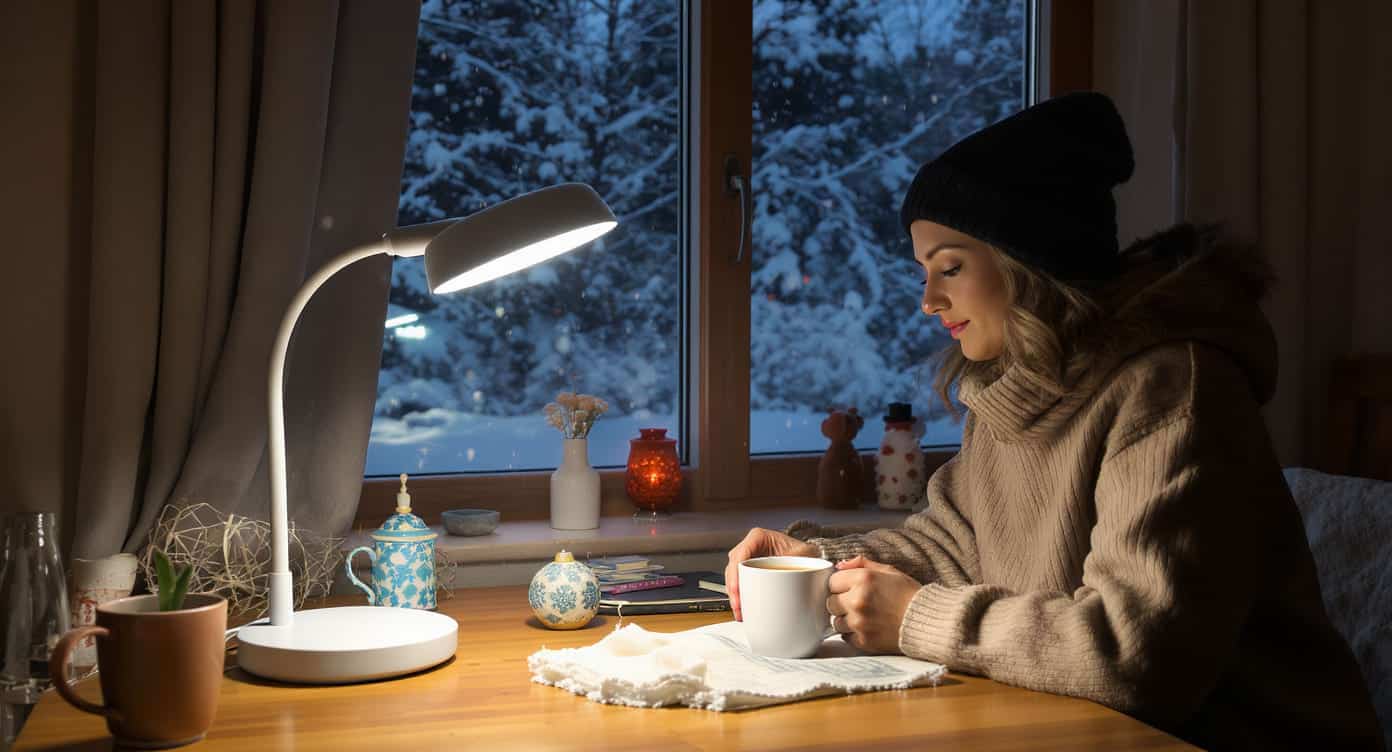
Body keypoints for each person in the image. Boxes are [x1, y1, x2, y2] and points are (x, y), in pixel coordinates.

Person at [724, 92, 1383, 751]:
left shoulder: (1174, 391)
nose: (929, 301)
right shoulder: (1012, 388)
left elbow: (1134, 654)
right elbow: (957, 546)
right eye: (924, 272)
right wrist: (818, 564)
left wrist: (916, 617)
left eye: (950, 267)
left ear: (1028, 264)